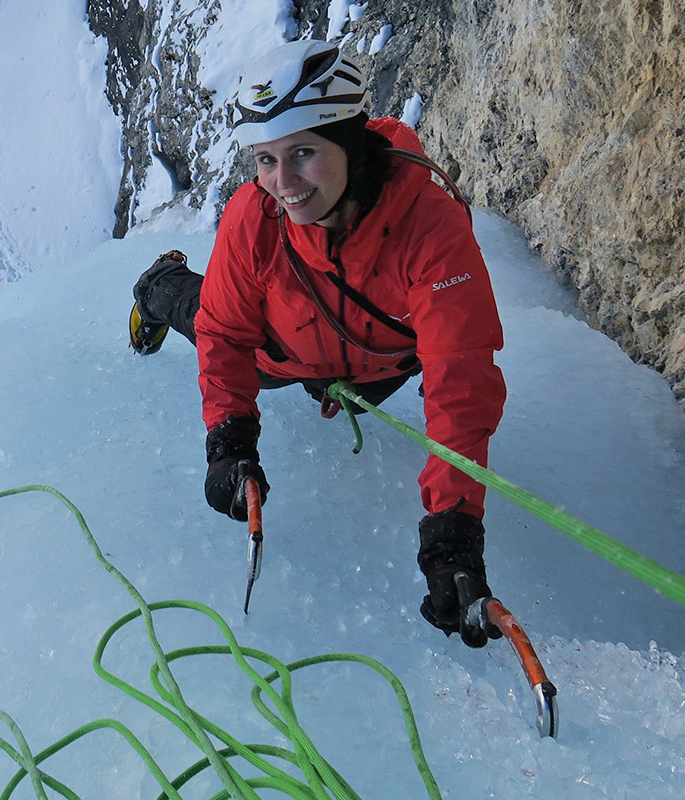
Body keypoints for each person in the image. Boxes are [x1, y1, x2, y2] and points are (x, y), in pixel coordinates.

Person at [129, 39, 507, 647]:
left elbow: (458, 375)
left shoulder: (428, 226)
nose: (283, 183)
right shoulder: (254, 218)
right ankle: (158, 284)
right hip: (279, 347)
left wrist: (453, 530)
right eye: (265, 160)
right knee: (203, 313)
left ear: (351, 145)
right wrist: (229, 441)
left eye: (303, 153)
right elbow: (224, 335)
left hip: (375, 365)